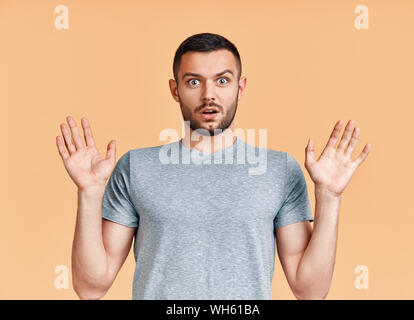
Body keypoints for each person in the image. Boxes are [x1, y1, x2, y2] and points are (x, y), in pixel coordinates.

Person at [55, 32, 371, 300]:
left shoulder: (279, 170)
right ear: (175, 89)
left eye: (222, 80)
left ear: (240, 87)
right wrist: (89, 192)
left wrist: (329, 197)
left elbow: (310, 290)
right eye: (194, 81)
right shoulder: (136, 167)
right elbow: (90, 287)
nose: (209, 95)